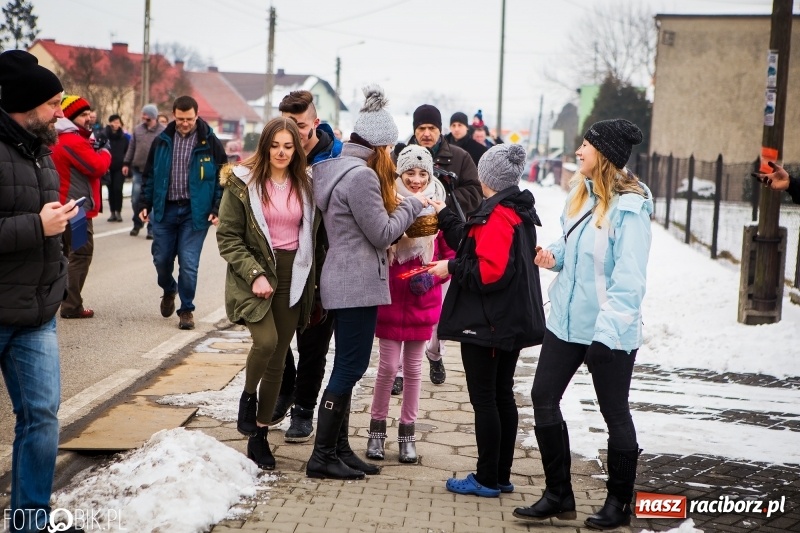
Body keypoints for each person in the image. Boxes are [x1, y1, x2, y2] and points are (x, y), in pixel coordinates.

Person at [512, 119, 652, 530]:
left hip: (610, 331)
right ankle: (559, 494)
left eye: (586, 145)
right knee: (543, 396)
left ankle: (618, 503)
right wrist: (553, 254)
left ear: (604, 155)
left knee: (614, 413)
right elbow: (574, 244)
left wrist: (606, 338)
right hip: (567, 322)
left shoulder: (630, 209)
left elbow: (629, 281)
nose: (578, 150)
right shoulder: (583, 193)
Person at [306, 85, 427, 480]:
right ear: (378, 146)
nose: (391, 155)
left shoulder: (339, 167)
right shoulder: (361, 177)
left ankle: (338, 449)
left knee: (345, 364)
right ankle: (322, 455)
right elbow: (381, 233)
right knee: (350, 367)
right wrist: (411, 204)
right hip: (355, 281)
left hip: (342, 278)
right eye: (390, 148)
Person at [426, 143, 546, 498]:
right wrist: (446, 213)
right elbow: (472, 243)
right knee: (501, 395)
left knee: (486, 399)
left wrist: (451, 266)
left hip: (489, 324)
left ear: (485, 176)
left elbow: (489, 271)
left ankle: (486, 478)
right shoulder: (513, 209)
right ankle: (500, 474)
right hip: (507, 320)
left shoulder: (498, 215)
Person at [0, 49, 82, 533]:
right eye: (53, 103)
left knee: (42, 418)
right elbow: (34, 223)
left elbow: (45, 223)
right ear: (25, 104)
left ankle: (29, 522)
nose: (60, 112)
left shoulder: (41, 148)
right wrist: (36, 225)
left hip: (37, 315)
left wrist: (57, 232)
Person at [217, 117, 319, 470]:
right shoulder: (242, 183)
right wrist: (255, 273)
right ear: (264, 146)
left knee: (278, 356)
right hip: (256, 273)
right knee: (265, 342)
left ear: (297, 149)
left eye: (288, 146)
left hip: (295, 274)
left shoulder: (306, 183)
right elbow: (228, 237)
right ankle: (247, 397)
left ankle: (259, 434)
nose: (281, 152)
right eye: (275, 145)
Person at [366, 145, 452, 464]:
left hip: (421, 301)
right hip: (388, 299)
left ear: (430, 175)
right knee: (388, 368)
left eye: (422, 173)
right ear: (398, 174)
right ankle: (376, 430)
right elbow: (376, 242)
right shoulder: (388, 204)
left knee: (414, 369)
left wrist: (431, 276)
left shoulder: (439, 210)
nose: (416, 180)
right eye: (409, 173)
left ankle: (407, 433)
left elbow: (450, 255)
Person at [269, 90, 343, 443]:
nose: (291, 133)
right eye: (285, 124)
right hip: (281, 263)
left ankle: (303, 410)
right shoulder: (276, 156)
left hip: (324, 264)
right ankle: (285, 388)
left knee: (313, 343)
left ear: (314, 123)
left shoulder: (336, 157)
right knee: (275, 338)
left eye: (298, 125)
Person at [408, 103, 483, 386]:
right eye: (421, 128)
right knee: (408, 304)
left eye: (431, 128)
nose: (426, 133)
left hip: (448, 240)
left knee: (440, 309)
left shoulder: (460, 158)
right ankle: (402, 371)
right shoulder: (402, 156)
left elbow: (474, 193)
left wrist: (441, 204)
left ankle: (435, 354)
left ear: (440, 130)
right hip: (410, 240)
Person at [139, 95, 227, 330]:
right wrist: (144, 203)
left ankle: (186, 309)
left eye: (189, 119)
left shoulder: (210, 142)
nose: (185, 123)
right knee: (161, 260)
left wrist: (217, 207)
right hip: (165, 210)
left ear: (196, 116)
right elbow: (150, 175)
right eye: (180, 119)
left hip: (194, 212)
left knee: (189, 263)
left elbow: (223, 178)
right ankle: (169, 289)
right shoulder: (162, 141)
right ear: (174, 115)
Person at [52, 95, 112, 320]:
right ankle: (71, 305)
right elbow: (97, 167)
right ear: (70, 117)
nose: (89, 118)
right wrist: (105, 151)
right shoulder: (72, 140)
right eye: (84, 115)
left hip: (62, 205)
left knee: (64, 255)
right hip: (75, 209)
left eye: (89, 114)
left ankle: (61, 301)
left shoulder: (61, 137)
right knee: (80, 255)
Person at [123, 104, 165, 239]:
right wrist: (126, 162)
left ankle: (151, 228)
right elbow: (131, 147)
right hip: (138, 170)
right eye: (143, 116)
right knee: (136, 199)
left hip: (155, 172)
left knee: (152, 201)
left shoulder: (163, 131)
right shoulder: (138, 130)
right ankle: (137, 223)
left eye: (147, 117)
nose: (144, 119)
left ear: (153, 117)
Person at [103, 114, 130, 222]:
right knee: (110, 190)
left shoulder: (124, 137)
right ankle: (112, 212)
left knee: (118, 189)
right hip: (108, 167)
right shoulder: (105, 136)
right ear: (110, 123)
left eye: (118, 122)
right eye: (114, 122)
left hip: (120, 167)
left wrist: (126, 164)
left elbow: (128, 151)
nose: (116, 124)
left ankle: (118, 212)